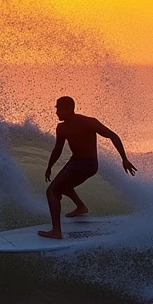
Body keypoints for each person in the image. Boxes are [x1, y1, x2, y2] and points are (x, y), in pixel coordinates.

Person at [39, 96, 137, 239]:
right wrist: (49, 166)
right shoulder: (61, 128)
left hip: (87, 164)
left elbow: (112, 136)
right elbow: (58, 149)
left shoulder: (88, 122)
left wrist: (124, 159)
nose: (56, 113)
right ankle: (81, 208)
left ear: (67, 110)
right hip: (76, 162)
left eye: (58, 109)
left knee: (52, 191)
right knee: (63, 185)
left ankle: (56, 231)